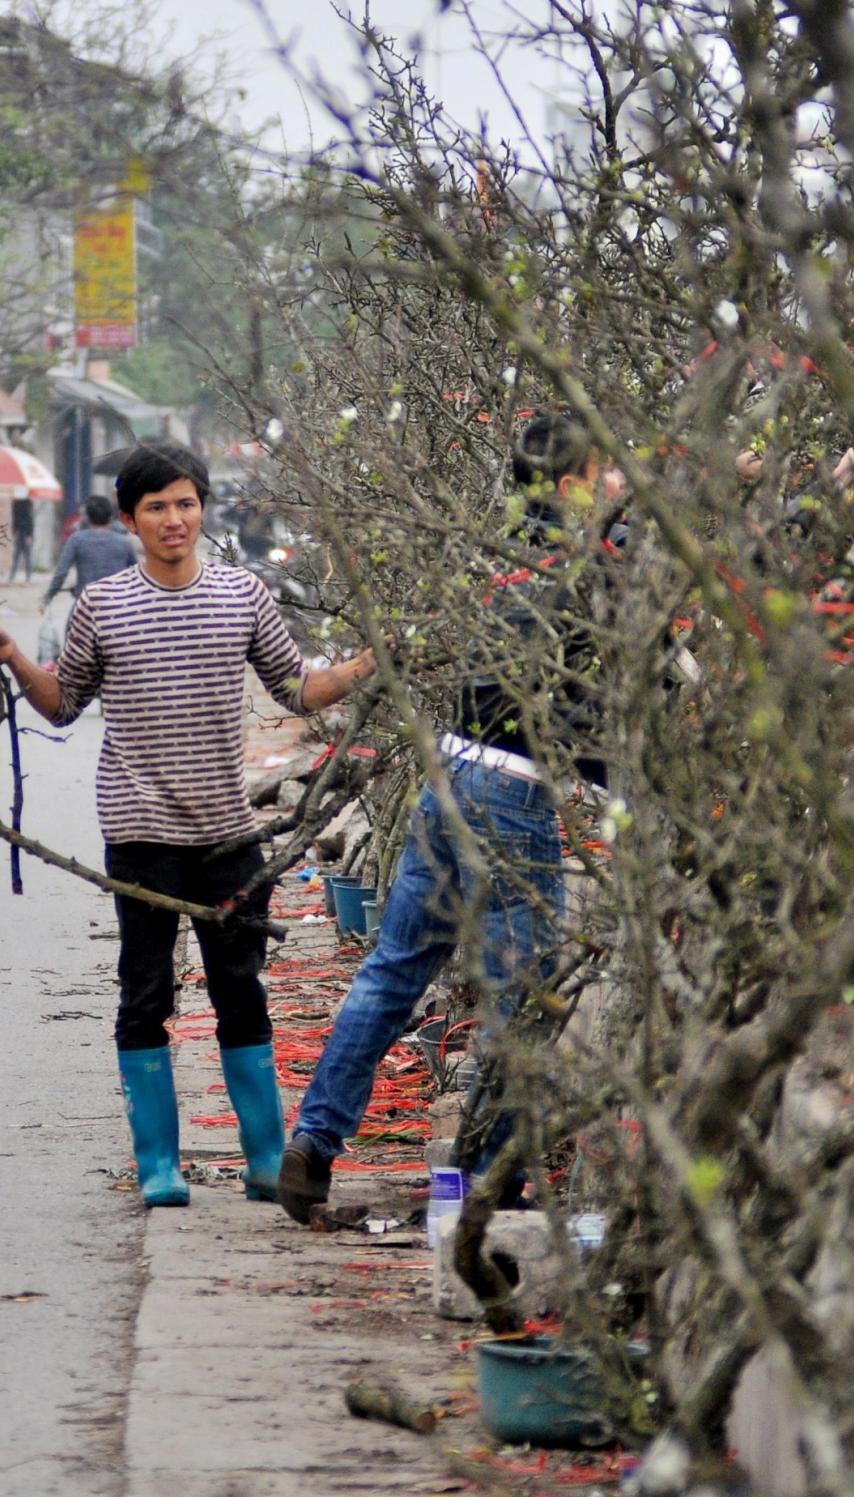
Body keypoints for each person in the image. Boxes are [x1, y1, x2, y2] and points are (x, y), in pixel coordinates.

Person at [0, 441, 375, 1208]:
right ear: (129, 519)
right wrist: (15, 657)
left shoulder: (242, 594)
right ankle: (158, 1163)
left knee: (241, 990)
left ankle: (262, 1159)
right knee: (145, 991)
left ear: (203, 508)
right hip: (141, 833)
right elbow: (62, 703)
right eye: (156, 506)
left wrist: (364, 665)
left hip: (227, 834)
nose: (173, 518)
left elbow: (294, 688)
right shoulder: (104, 605)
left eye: (185, 503)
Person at [275, 413, 612, 1225]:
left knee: (394, 969)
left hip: (449, 775)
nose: (617, 488)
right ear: (570, 488)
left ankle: (314, 1144)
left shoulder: (504, 560)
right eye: (605, 476)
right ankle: (495, 1181)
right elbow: (584, 711)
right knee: (516, 997)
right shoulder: (582, 574)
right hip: (509, 796)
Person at [42, 496, 140, 606]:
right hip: (117, 604)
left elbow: (61, 572)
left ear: (87, 518)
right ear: (110, 518)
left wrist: (48, 597)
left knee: (72, 623)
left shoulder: (76, 540)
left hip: (86, 604)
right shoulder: (124, 542)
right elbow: (137, 574)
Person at [8, 496, 36, 582]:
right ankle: (11, 578)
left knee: (26, 556)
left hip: (25, 533)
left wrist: (29, 535)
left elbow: (29, 521)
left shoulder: (26, 504)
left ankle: (27, 579)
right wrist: (14, 532)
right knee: (17, 556)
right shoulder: (16, 504)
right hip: (19, 533)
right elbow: (15, 520)